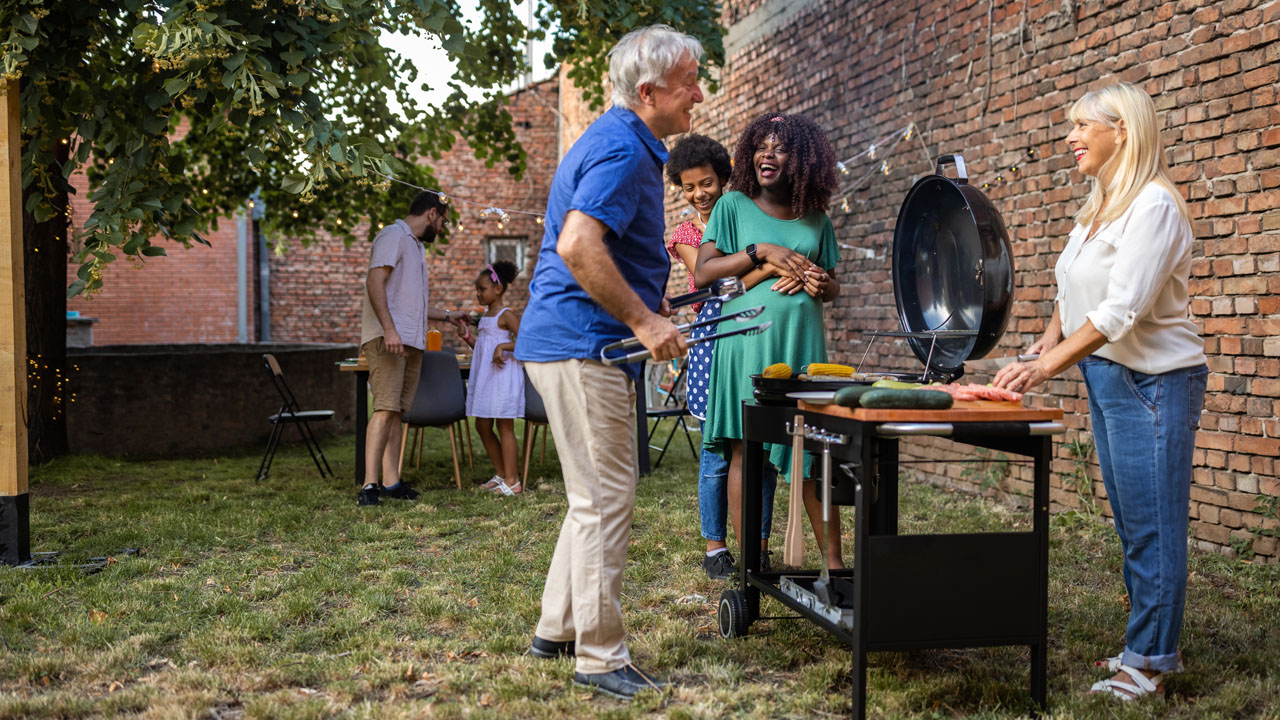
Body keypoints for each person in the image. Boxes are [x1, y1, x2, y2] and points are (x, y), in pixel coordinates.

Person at [993, 82, 1207, 702]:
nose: (1071, 137)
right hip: (1109, 378)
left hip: (1154, 382)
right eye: (1072, 127)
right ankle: (1151, 642)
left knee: (1154, 527)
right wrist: (1044, 343)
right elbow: (1072, 293)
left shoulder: (1155, 206)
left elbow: (1120, 312)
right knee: (1135, 524)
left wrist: (1045, 369)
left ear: (1125, 131)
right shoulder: (1098, 207)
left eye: (1084, 126)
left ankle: (1149, 662)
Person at [512, 24, 701, 701]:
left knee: (588, 499)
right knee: (606, 501)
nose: (697, 97)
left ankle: (557, 627)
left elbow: (601, 251)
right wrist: (645, 320)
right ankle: (600, 657)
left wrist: (655, 303)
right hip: (583, 346)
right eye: (687, 86)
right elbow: (577, 244)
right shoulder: (623, 149)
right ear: (647, 93)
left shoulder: (614, 140)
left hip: (572, 342)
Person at [694, 112, 844, 568]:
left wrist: (822, 285)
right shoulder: (733, 206)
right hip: (746, 343)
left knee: (811, 451)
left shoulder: (817, 218)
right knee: (746, 445)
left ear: (801, 159)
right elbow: (705, 274)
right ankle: (751, 564)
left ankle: (836, 567)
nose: (767, 155)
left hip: (802, 343)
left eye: (780, 147)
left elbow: (832, 282)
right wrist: (762, 252)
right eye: (761, 146)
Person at [664, 133, 779, 580]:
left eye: (707, 183)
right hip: (714, 343)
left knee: (761, 446)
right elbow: (712, 283)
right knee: (718, 451)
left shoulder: (744, 218)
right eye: (689, 188)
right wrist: (765, 266)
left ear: (725, 177)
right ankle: (716, 547)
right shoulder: (688, 234)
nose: (699, 194)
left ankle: (760, 543)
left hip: (753, 335)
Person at [358, 190, 462, 506]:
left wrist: (448, 315)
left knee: (397, 412)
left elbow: (412, 304)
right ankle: (369, 485)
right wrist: (389, 330)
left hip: (410, 341)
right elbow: (374, 282)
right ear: (432, 213)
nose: (442, 228)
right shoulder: (394, 235)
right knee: (384, 408)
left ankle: (391, 483)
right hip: (390, 338)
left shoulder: (416, 247)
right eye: (443, 221)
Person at [455, 261, 524, 496]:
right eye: (477, 289)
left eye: (482, 289)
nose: (478, 293)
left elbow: (526, 342)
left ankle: (514, 481)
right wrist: (467, 337)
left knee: (504, 425)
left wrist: (504, 345)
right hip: (486, 376)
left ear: (498, 289)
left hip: (503, 375)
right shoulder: (485, 317)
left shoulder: (507, 315)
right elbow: (484, 349)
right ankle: (501, 473)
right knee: (482, 424)